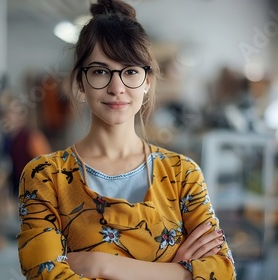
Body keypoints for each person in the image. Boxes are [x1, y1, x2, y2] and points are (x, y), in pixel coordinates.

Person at [17, 0, 236, 279]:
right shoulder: (46, 176)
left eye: (131, 71)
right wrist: (179, 271)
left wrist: (100, 265)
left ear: (147, 82)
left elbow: (223, 272)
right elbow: (45, 274)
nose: (116, 87)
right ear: (80, 83)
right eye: (100, 71)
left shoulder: (182, 174)